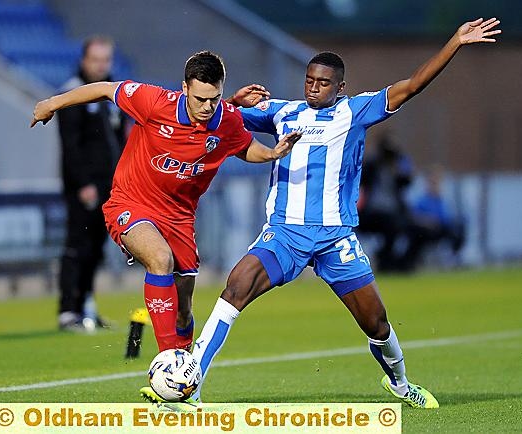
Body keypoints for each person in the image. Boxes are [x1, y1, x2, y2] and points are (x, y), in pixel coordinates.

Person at [188, 18, 501, 409]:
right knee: (236, 287)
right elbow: (215, 119)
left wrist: (454, 41)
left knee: (377, 322)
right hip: (285, 233)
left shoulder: (356, 111)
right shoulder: (280, 112)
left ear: (340, 87)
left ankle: (401, 385)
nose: (313, 88)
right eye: (309, 80)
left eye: (322, 83)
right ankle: (190, 384)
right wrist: (232, 102)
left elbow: (412, 85)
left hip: (336, 237)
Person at [31, 50, 301, 369]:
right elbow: (104, 88)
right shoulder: (155, 102)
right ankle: (167, 363)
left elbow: (245, 148)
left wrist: (272, 153)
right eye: (200, 98)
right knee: (160, 260)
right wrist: (51, 102)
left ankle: (182, 370)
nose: (207, 107)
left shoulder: (227, 119)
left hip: (180, 218)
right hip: (130, 203)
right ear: (184, 89)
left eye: (214, 98)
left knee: (183, 306)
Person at [56, 35, 128, 331]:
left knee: (96, 248)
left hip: (110, 185)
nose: (101, 66)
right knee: (78, 246)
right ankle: (68, 310)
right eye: (95, 60)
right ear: (84, 60)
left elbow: (119, 139)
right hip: (83, 187)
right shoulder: (72, 93)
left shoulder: (113, 94)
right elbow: (70, 146)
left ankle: (86, 306)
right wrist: (83, 183)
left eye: (105, 60)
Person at [358, 135, 413, 271]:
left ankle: (403, 263)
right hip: (372, 213)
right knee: (391, 227)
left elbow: (407, 181)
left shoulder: (396, 168)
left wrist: (397, 168)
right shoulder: (373, 166)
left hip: (393, 212)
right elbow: (362, 179)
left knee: (412, 228)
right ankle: (385, 261)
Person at [402, 164, 466, 271]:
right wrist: (427, 220)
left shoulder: (442, 200)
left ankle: (454, 258)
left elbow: (447, 217)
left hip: (442, 228)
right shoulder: (422, 200)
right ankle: (411, 261)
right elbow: (414, 216)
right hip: (427, 230)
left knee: (459, 227)